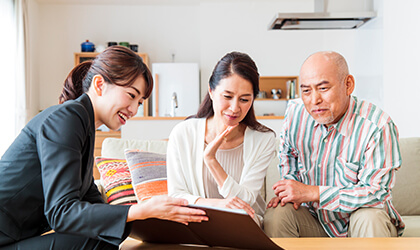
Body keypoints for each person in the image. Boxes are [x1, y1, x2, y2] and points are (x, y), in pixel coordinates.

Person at [0, 46, 208, 249]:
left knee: (109, 231)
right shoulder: (67, 118)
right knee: (101, 238)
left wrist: (154, 214)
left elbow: (95, 205)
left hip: (13, 238)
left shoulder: (83, 126)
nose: (134, 109)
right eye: (131, 95)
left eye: (140, 102)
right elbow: (61, 213)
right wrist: (139, 211)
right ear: (100, 85)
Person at [264, 51, 404, 238]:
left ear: (348, 85)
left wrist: (314, 193)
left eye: (323, 88)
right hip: (313, 218)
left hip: (358, 217)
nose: (314, 100)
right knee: (277, 214)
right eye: (306, 91)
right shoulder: (295, 113)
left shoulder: (378, 126)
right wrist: (291, 189)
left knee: (370, 218)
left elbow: (376, 193)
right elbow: (287, 154)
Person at [166, 51, 276, 226]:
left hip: (243, 225)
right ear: (211, 91)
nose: (234, 108)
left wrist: (211, 161)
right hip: (197, 221)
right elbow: (176, 195)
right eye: (227, 96)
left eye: (244, 99)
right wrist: (217, 205)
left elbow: (245, 201)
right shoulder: (183, 133)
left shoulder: (263, 139)